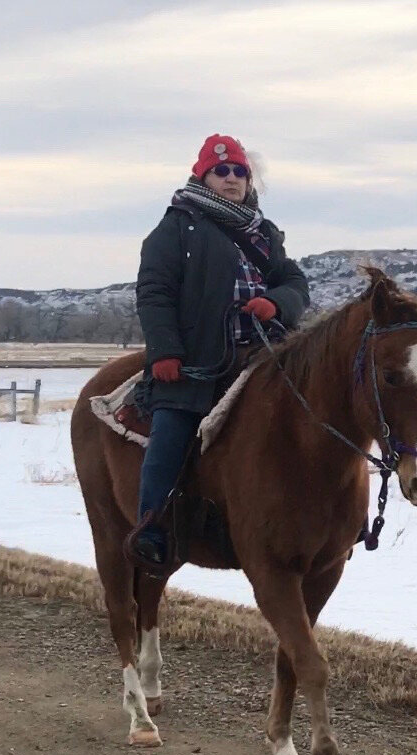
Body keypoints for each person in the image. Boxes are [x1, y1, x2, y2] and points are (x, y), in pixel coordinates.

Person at [128, 133, 310, 569]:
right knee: (173, 424)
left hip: (264, 351)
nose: (231, 179)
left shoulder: (262, 233)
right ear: (203, 176)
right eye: (221, 170)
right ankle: (151, 525)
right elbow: (155, 292)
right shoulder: (175, 227)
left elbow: (295, 283)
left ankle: (322, 517)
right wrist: (165, 352)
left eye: (240, 172)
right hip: (199, 358)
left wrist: (277, 303)